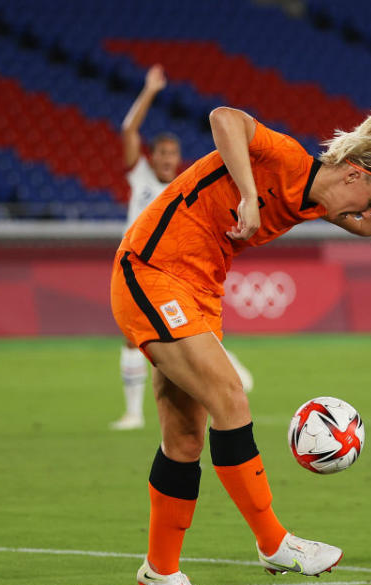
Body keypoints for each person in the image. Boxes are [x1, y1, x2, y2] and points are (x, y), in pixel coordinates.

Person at [110, 103, 371, 585]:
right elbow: (222, 117)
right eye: (368, 200)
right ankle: (274, 542)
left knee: (184, 437)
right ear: (352, 174)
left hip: (200, 287)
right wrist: (249, 197)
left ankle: (161, 570)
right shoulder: (289, 159)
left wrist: (359, 226)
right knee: (231, 397)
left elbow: (324, 207)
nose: (365, 209)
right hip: (154, 268)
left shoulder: (315, 198)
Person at [111, 64, 252, 431]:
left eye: (172, 153)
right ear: (152, 156)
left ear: (178, 158)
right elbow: (128, 130)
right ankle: (133, 413)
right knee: (134, 339)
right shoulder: (140, 177)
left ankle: (225, 366)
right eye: (161, 152)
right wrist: (150, 91)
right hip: (141, 271)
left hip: (178, 273)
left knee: (186, 336)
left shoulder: (186, 190)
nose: (166, 158)